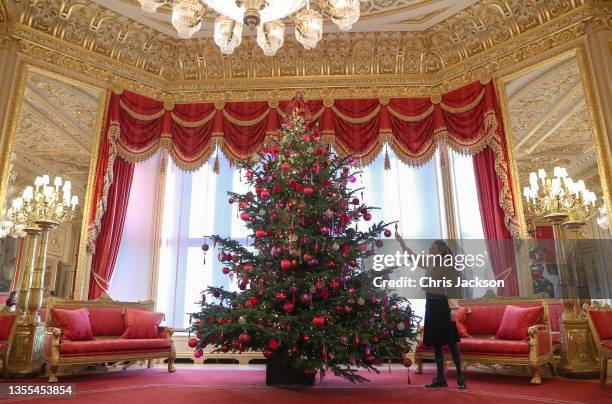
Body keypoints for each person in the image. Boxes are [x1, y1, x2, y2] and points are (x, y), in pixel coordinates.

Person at [395, 233, 466, 389]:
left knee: (452, 343)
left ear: (439, 250)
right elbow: (414, 258)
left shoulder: (447, 264)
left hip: (442, 306)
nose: (429, 249)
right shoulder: (431, 262)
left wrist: (453, 310)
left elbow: (452, 287)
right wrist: (402, 243)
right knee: (437, 344)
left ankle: (461, 378)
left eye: (432, 248)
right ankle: (441, 378)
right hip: (431, 305)